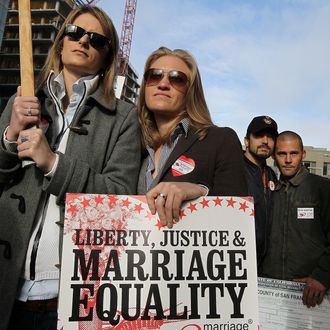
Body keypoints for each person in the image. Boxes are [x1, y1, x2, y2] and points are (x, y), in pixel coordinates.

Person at [0, 5, 140, 330]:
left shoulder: (123, 119)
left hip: (69, 296)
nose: (83, 41)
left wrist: (53, 163)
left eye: (97, 39)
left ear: (107, 56)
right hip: (7, 287)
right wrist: (9, 136)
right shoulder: (21, 101)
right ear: (60, 42)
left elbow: (119, 199)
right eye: (75, 33)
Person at [137, 47, 248, 228]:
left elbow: (238, 217)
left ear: (191, 91)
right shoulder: (133, 143)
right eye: (154, 75)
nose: (163, 84)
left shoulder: (221, 140)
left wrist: (200, 192)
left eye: (176, 78)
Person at [262, 131, 330, 307]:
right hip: (271, 289)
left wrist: (321, 277)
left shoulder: (322, 188)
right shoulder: (269, 191)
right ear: (274, 156)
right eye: (282, 154)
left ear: (303, 155)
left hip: (312, 291)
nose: (288, 160)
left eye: (294, 153)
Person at [243, 115, 278, 274]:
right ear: (246, 141)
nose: (265, 141)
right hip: (239, 261)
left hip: (266, 265)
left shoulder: (272, 175)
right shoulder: (231, 169)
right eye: (258, 135)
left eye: (270, 137)